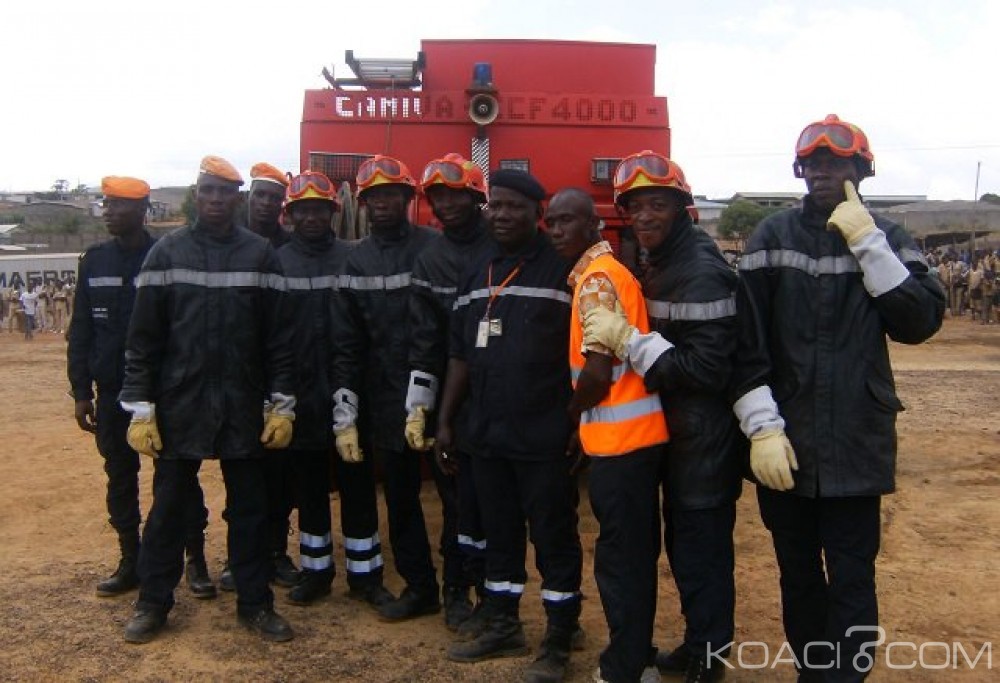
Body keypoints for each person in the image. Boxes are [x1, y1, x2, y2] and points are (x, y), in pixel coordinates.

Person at [731, 114, 944, 682]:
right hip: (788, 443)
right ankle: (811, 672)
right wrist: (761, 425)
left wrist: (868, 242)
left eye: (837, 163)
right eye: (815, 164)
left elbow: (919, 322)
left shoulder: (890, 238)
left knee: (852, 577)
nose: (824, 173)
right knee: (797, 575)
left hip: (856, 443)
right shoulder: (771, 237)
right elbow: (745, 341)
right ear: (801, 171)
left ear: (860, 171)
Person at [118, 155, 297, 644]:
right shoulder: (167, 254)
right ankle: (153, 602)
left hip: (243, 404)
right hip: (180, 404)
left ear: (236, 200)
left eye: (225, 193)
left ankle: (255, 604)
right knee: (168, 510)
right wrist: (140, 405)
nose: (216, 200)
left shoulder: (261, 255)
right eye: (208, 191)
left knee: (250, 511)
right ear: (197, 195)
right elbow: (143, 339)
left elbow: (279, 339)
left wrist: (281, 403)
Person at [583, 152, 744, 683]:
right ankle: (701, 645)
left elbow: (708, 369)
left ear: (683, 208)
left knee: (701, 554)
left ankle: (708, 660)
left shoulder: (700, 270)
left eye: (657, 205)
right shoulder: (661, 262)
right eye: (636, 208)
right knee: (684, 547)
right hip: (676, 434)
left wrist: (631, 342)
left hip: (704, 439)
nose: (644, 217)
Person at [436, 169, 584, 683]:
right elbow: (458, 353)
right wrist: (446, 420)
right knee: (499, 535)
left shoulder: (563, 269)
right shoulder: (476, 269)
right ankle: (503, 623)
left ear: (535, 213)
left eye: (512, 207)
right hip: (486, 433)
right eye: (494, 206)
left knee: (553, 536)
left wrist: (579, 424)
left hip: (544, 435)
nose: (500, 215)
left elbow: (589, 358)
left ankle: (560, 638)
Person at [67, 176, 213, 600]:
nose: (108, 211)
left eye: (117, 205)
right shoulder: (94, 261)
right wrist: (80, 391)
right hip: (113, 393)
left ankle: (196, 560)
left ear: (142, 208)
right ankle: (130, 560)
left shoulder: (167, 254)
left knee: (177, 479)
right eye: (106, 204)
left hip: (165, 393)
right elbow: (81, 332)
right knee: (120, 477)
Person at [546, 187, 668, 683]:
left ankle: (626, 668)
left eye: (566, 221)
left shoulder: (597, 280)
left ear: (592, 227)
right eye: (550, 222)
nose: (555, 231)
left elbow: (597, 373)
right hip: (630, 444)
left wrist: (572, 416)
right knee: (632, 555)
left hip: (623, 449)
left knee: (622, 563)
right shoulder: (606, 273)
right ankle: (637, 653)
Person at [331, 155, 443, 621]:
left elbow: (445, 328)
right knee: (400, 498)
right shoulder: (355, 260)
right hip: (384, 399)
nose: (381, 205)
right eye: (372, 198)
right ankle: (421, 588)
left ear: (407, 199)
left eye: (390, 196)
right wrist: (347, 412)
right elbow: (347, 343)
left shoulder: (433, 249)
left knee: (460, 500)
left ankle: (464, 589)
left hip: (443, 396)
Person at [275, 170, 392, 607]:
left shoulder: (353, 258)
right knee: (308, 488)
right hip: (301, 395)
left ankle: (366, 578)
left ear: (333, 212)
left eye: (318, 209)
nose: (310, 217)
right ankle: (315, 571)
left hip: (351, 392)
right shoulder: (279, 262)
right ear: (290, 215)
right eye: (301, 210)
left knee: (358, 483)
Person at [405, 153, 492, 631]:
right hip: (453, 404)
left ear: (477, 196)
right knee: (456, 502)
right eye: (437, 195)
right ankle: (456, 589)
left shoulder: (503, 244)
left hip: (502, 397)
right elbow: (424, 341)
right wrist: (422, 407)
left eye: (455, 193)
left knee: (499, 504)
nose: (446, 203)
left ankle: (494, 593)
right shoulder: (430, 259)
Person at [218, 162, 298, 593]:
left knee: (280, 475)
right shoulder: (229, 246)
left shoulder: (290, 248)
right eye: (260, 196)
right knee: (242, 475)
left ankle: (276, 552)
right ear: (248, 198)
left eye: (274, 198)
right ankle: (239, 558)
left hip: (281, 377)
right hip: (238, 380)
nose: (266, 204)